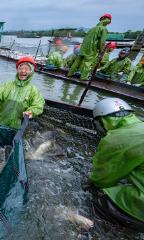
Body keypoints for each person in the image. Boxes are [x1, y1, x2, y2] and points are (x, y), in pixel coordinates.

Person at [90, 98, 144, 231]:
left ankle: (100, 228)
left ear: (103, 120)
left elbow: (102, 179)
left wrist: (91, 183)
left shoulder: (115, 138)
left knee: (99, 201)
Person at [0, 56, 45, 129]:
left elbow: (38, 105)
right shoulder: (7, 85)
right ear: (17, 70)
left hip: (18, 127)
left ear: (31, 72)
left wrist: (31, 112)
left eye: (26, 69)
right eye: (21, 68)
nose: (23, 71)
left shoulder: (33, 90)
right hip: (1, 122)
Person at [67, 13, 112, 80]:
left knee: (77, 61)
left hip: (83, 48)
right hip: (91, 49)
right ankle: (84, 77)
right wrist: (101, 50)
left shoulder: (92, 28)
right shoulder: (103, 29)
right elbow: (102, 42)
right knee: (88, 63)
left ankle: (69, 74)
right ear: (108, 21)